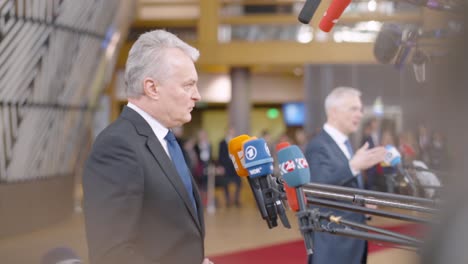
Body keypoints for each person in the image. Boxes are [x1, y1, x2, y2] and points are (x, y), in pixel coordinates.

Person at [83, 30, 212, 264]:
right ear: (152, 88)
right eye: (188, 85)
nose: (197, 95)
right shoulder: (117, 147)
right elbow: (112, 254)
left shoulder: (166, 140)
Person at [304, 87, 387, 264]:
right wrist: (354, 166)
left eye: (360, 109)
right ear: (334, 112)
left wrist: (363, 205)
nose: (360, 114)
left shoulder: (345, 143)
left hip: (350, 242)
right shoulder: (318, 146)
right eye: (353, 109)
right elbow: (316, 190)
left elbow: (343, 189)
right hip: (333, 246)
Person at [218, 126, 242, 207]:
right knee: (225, 183)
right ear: (227, 132)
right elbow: (220, 155)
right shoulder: (222, 142)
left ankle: (236, 199)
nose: (232, 132)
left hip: (235, 166)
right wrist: (221, 166)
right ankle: (228, 200)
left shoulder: (236, 142)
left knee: (238, 183)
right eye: (230, 131)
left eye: (233, 131)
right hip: (226, 166)